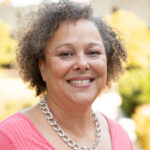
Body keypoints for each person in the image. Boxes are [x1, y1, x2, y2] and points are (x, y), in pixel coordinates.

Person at [0, 0, 133, 150]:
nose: (82, 64)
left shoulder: (120, 137)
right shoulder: (9, 138)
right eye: (66, 54)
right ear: (42, 67)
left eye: (93, 52)